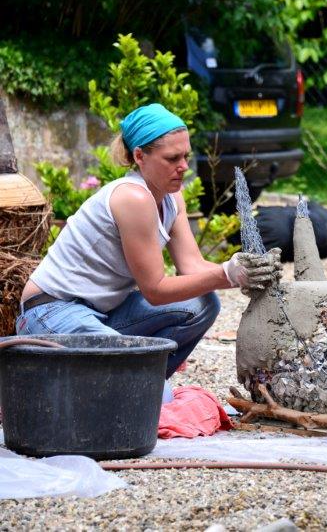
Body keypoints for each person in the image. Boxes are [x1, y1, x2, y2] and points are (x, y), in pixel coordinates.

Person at [16, 103, 277, 378]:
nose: (183, 167)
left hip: (102, 313)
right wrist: (227, 274)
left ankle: (141, 385)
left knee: (202, 304)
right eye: (172, 158)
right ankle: (136, 388)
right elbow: (155, 290)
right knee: (135, 382)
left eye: (186, 156)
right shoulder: (132, 197)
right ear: (140, 156)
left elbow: (192, 266)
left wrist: (241, 271)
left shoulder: (171, 197)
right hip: (51, 313)